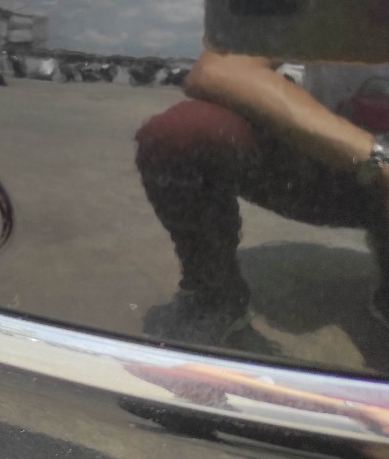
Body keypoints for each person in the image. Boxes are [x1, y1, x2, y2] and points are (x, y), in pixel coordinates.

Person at [135, 51, 389, 345]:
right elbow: (219, 69)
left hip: (350, 169)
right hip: (324, 164)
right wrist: (377, 159)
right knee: (182, 132)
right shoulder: (333, 19)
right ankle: (213, 293)